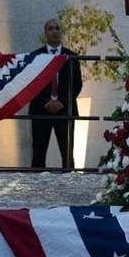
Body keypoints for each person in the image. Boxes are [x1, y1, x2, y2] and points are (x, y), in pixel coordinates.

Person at [29, 19, 83, 168]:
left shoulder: (72, 56)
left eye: (57, 28)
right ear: (45, 33)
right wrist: (45, 102)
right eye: (50, 28)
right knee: (38, 155)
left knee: (67, 155)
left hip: (65, 110)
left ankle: (70, 187)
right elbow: (30, 84)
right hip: (41, 111)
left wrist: (61, 102)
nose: (54, 31)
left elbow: (77, 84)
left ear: (61, 32)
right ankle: (36, 189)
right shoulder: (35, 56)